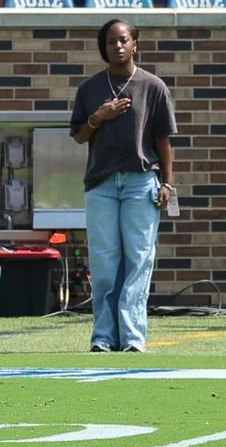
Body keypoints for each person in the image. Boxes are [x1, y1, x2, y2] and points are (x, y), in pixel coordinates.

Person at [70, 18, 177, 354]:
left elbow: (163, 140)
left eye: (123, 40)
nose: (117, 46)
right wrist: (98, 117)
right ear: (103, 48)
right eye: (110, 42)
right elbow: (78, 136)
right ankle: (103, 336)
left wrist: (168, 184)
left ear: (135, 44)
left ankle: (132, 336)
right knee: (104, 262)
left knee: (138, 259)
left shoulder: (153, 86)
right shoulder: (90, 89)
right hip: (101, 184)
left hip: (140, 181)